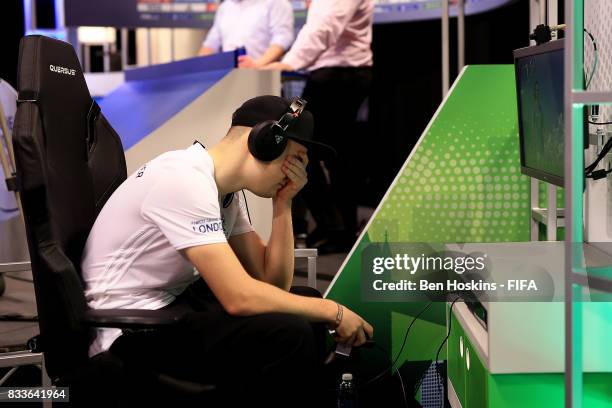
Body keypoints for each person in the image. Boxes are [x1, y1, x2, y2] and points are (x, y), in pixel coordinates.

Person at [81, 95, 373, 406]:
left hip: (169, 311)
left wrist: (283, 203)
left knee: (306, 307)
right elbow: (240, 297)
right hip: (127, 332)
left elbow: (271, 284)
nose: (299, 172)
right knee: (290, 333)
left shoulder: (224, 193)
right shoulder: (184, 180)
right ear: (265, 141)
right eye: (297, 158)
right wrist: (334, 311)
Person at [262, 0, 374, 254]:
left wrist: (289, 62)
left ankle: (337, 228)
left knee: (300, 142)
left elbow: (324, 26)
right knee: (325, 150)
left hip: (339, 77)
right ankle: (335, 226)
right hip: (330, 76)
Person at [198, 0, 295, 69]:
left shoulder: (276, 2)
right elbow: (210, 44)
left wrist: (257, 65)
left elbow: (282, 38)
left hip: (263, 76)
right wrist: (198, 66)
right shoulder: (225, 6)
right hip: (228, 75)